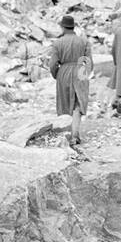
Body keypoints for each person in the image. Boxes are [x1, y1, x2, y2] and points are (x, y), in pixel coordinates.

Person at [47, 14, 92, 147]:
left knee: (65, 102)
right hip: (80, 70)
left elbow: (53, 64)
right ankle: (75, 134)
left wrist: (57, 75)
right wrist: (85, 74)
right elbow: (88, 62)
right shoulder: (84, 41)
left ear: (62, 27)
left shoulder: (58, 43)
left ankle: (66, 134)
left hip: (64, 71)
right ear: (73, 27)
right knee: (78, 103)